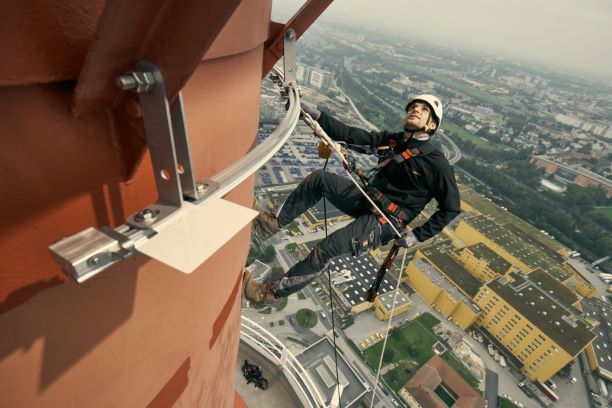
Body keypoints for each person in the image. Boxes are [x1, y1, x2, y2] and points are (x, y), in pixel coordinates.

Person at [244, 94, 460, 305]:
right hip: (368, 200)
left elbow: (450, 208)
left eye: (424, 110)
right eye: (414, 107)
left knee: (326, 249)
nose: (416, 110)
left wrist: (417, 235)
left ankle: (269, 294)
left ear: (432, 126)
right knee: (320, 180)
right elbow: (353, 135)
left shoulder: (436, 164)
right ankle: (269, 225)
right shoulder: (394, 142)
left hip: (386, 220)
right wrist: (318, 115)